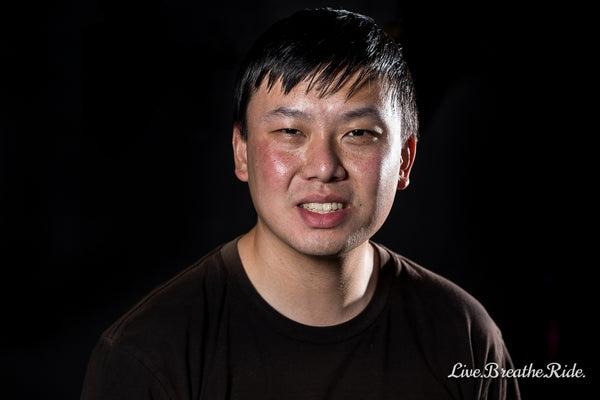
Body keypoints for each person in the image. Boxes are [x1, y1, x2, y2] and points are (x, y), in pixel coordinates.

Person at [81, 8, 520, 399]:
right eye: (290, 132)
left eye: (358, 134)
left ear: (404, 160)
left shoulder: (464, 337)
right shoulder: (148, 355)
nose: (324, 168)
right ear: (241, 152)